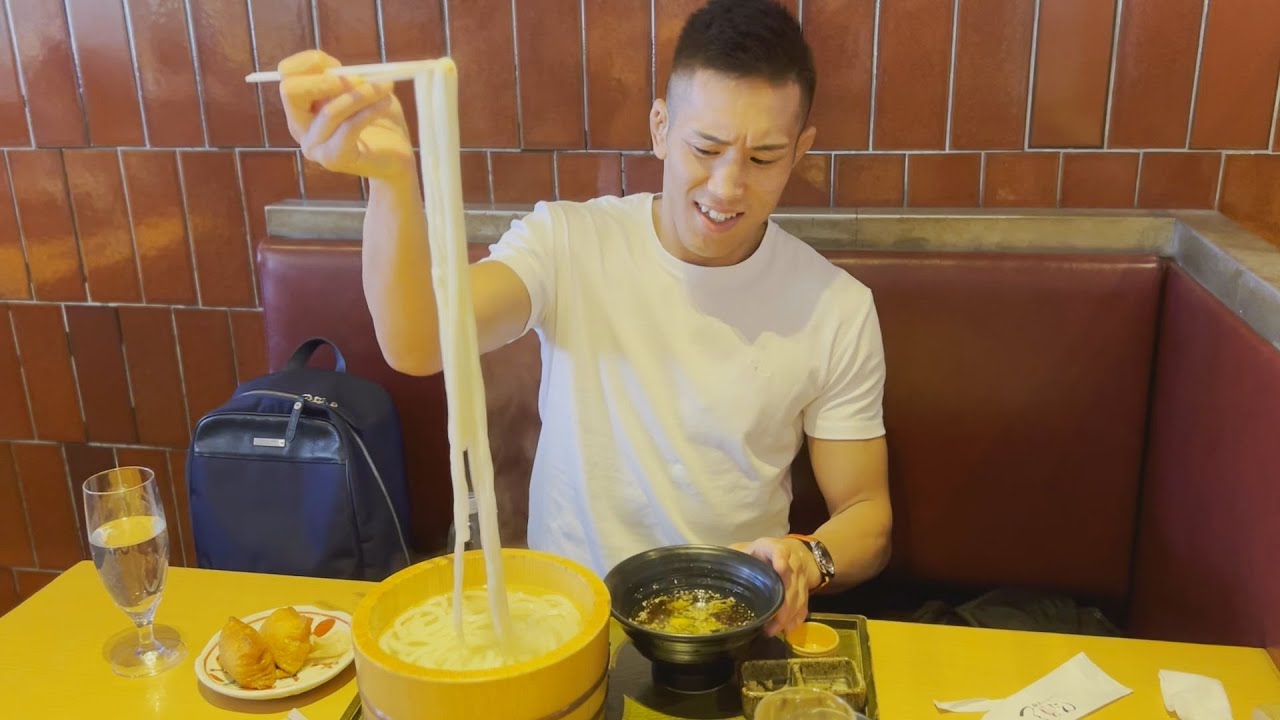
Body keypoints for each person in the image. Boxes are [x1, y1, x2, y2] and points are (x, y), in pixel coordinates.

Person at [277, 0, 890, 635]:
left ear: (800, 151)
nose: (727, 186)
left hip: (732, 629)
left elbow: (868, 516)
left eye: (763, 158)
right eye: (705, 148)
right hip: (567, 618)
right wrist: (391, 180)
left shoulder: (834, 305)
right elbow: (420, 340)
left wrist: (808, 557)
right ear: (661, 128)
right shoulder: (569, 242)